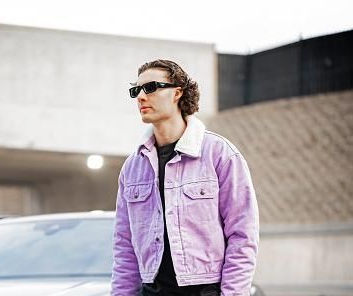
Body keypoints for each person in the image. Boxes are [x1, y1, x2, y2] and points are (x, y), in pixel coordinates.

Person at [111, 59, 259, 296]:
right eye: (136, 90)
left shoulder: (218, 153)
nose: (140, 96)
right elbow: (124, 245)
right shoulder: (133, 167)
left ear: (177, 93)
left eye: (150, 88)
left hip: (206, 290)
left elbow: (243, 235)